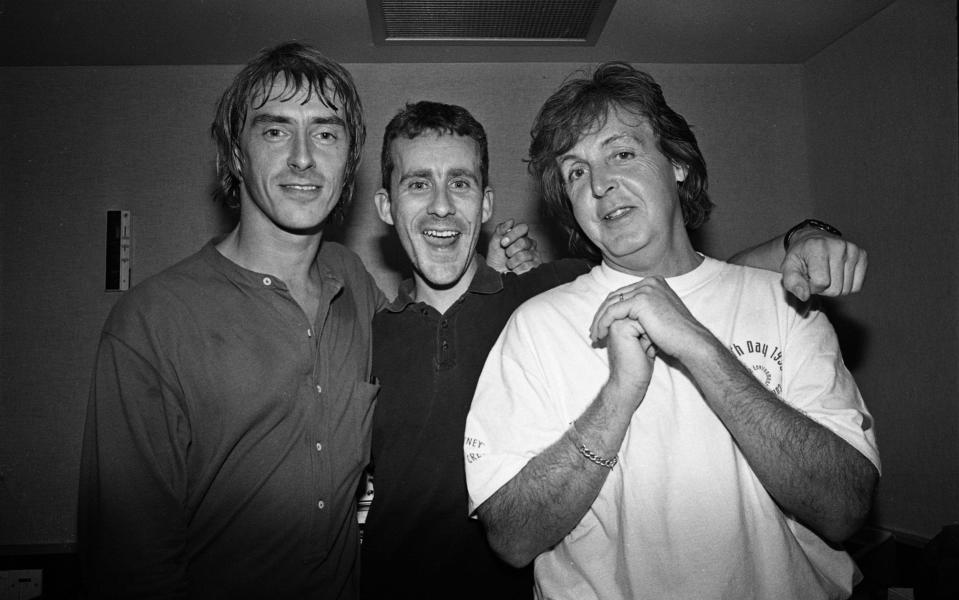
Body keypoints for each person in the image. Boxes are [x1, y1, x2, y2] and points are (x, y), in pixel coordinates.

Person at [362, 101, 871, 598]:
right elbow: (509, 535)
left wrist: (803, 239)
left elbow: (710, 282)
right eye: (576, 171)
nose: (600, 183)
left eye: (622, 154)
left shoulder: (540, 287)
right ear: (386, 205)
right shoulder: (378, 333)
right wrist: (619, 393)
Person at [78, 42, 383, 599]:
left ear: (348, 161)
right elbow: (129, 563)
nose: (302, 157)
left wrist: (511, 279)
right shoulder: (150, 323)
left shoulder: (354, 281)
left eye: (326, 132)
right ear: (235, 156)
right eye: (274, 131)